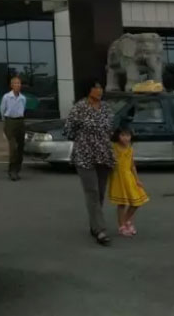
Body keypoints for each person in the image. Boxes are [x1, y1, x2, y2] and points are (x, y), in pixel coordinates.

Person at [64, 79, 114, 245]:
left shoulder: (106, 108)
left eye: (101, 88)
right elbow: (68, 130)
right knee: (92, 192)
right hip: (84, 155)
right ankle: (100, 230)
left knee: (100, 192)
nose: (99, 91)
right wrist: (84, 139)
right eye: (95, 88)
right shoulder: (79, 108)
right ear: (88, 90)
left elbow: (111, 129)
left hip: (104, 154)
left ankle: (94, 225)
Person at [108, 126, 149, 236]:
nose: (126, 138)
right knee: (122, 203)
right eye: (122, 135)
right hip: (118, 177)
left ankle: (126, 221)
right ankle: (122, 226)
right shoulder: (114, 147)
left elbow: (132, 166)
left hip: (129, 177)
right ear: (117, 136)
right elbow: (109, 162)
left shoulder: (130, 148)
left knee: (136, 202)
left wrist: (137, 179)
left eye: (128, 135)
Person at [0, 76, 26, 181]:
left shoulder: (23, 98)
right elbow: (2, 110)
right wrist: (5, 122)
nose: (17, 85)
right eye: (15, 83)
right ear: (11, 85)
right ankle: (12, 171)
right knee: (13, 147)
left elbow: (23, 109)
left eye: (19, 83)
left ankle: (17, 169)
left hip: (20, 121)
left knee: (20, 147)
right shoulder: (6, 97)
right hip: (10, 121)